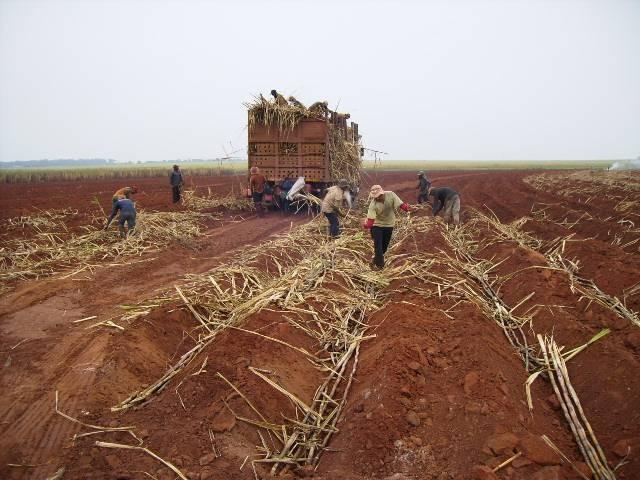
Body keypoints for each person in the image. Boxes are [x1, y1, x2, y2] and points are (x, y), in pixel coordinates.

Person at [363, 185, 410, 269]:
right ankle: (380, 266)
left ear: (382, 193)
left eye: (379, 196)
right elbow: (371, 222)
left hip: (389, 225)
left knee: (384, 247)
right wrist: (366, 225)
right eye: (375, 197)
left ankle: (375, 259)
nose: (377, 198)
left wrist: (407, 208)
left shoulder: (391, 195)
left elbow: (401, 205)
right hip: (376, 226)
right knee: (378, 246)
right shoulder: (373, 204)